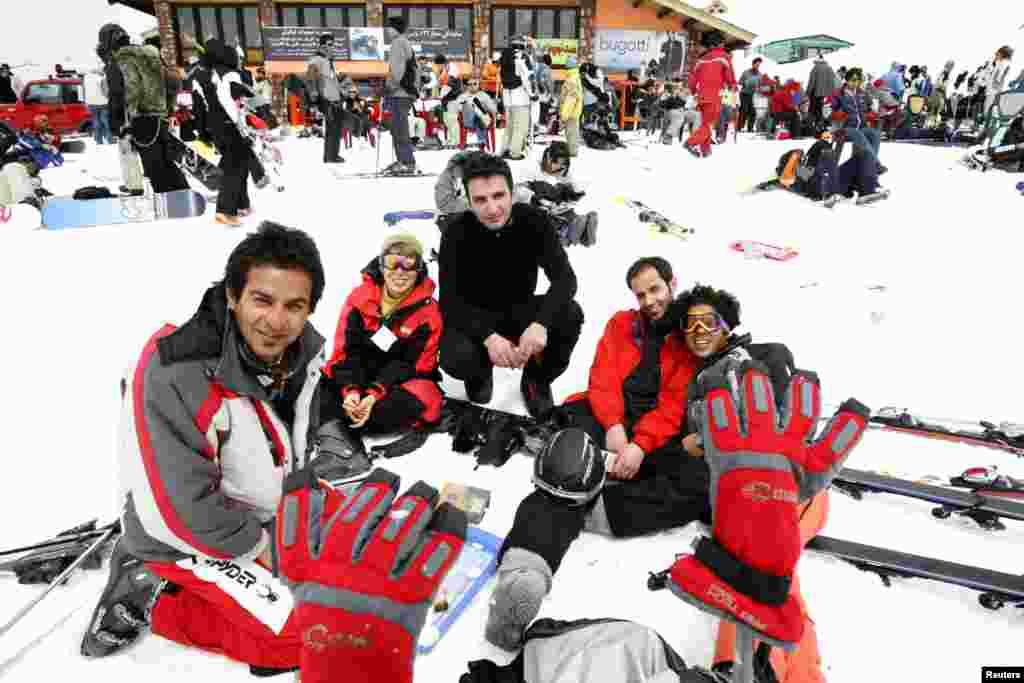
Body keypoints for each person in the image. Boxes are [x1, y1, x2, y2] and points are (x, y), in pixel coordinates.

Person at [80, 221, 337, 674]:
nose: (277, 321)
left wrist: (306, 508)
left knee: (355, 568)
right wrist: (266, 550)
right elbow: (180, 509)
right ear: (233, 296)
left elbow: (295, 446)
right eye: (262, 300)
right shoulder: (175, 368)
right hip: (182, 537)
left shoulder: (303, 354)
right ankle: (153, 594)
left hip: (262, 508)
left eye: (294, 306)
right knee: (304, 639)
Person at [483, 257, 705, 651]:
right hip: (607, 419)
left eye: (656, 289)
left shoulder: (689, 333)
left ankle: (595, 507)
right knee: (566, 466)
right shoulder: (622, 325)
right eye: (641, 294)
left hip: (656, 434)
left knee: (695, 486)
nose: (650, 300)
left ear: (673, 283)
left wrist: (639, 445)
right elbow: (602, 379)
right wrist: (616, 429)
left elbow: (674, 405)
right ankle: (524, 571)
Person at [660, 284, 855, 683]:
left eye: (708, 321)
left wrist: (706, 443)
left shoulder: (765, 356)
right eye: (690, 324)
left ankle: (752, 669)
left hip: (794, 487)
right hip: (741, 497)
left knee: (764, 571)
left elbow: (786, 424)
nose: (698, 330)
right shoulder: (699, 383)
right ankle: (755, 668)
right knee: (754, 568)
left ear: (728, 324)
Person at [437, 153, 583, 418]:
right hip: (476, 317)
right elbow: (449, 301)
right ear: (467, 200)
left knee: (570, 314)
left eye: (498, 196)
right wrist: (488, 337)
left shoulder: (534, 221)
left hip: (521, 311)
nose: (492, 209)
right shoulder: (455, 232)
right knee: (453, 354)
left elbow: (565, 280)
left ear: (512, 192)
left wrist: (540, 323)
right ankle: (479, 374)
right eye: (480, 200)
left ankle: (537, 380)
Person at [319, 233, 443, 457]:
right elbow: (345, 352)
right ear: (381, 265)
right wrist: (351, 392)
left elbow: (412, 365)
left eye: (409, 265)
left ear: (419, 269)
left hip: (398, 381)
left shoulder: (429, 312)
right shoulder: (359, 299)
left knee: (418, 400)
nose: (400, 272)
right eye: (393, 263)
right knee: (317, 391)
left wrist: (372, 395)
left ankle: (348, 421)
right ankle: (347, 415)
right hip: (361, 372)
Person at [98, 23, 189, 195]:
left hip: (139, 118)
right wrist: (167, 108)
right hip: (160, 117)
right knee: (166, 161)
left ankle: (168, 201)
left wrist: (115, 124)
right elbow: (173, 83)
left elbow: (116, 94)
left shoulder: (117, 61)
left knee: (153, 166)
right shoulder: (149, 54)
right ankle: (184, 195)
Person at [195, 39, 257, 226]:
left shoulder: (201, 75)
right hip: (229, 125)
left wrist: (204, 132)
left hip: (216, 127)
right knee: (235, 167)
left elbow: (199, 107)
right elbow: (233, 104)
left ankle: (241, 204)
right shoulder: (228, 75)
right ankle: (225, 210)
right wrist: (243, 129)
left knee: (236, 163)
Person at [516, 141, 598, 248]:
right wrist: (537, 199)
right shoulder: (532, 165)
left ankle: (583, 231)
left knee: (562, 203)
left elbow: (570, 184)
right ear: (549, 157)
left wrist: (573, 194)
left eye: (562, 165)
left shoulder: (562, 167)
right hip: (530, 204)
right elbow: (519, 191)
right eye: (557, 165)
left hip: (551, 204)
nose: (558, 168)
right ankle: (572, 233)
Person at [776, 126, 884, 203]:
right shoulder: (794, 173)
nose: (801, 155)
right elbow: (802, 180)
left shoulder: (806, 164)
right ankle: (831, 194)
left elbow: (825, 166)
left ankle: (867, 192)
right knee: (826, 152)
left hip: (834, 180)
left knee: (864, 154)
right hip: (823, 188)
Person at [685, 30, 736, 157]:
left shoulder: (701, 60)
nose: (724, 45)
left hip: (701, 97)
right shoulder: (724, 57)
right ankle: (690, 143)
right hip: (715, 96)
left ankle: (706, 150)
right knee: (708, 125)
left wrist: (693, 92)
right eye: (722, 43)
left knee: (705, 123)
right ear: (719, 43)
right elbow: (730, 78)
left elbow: (692, 80)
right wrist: (733, 90)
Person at [831, 67, 885, 174]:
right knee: (858, 134)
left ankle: (867, 165)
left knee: (874, 134)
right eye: (853, 80)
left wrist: (874, 114)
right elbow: (828, 113)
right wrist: (839, 115)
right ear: (846, 80)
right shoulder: (839, 94)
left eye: (857, 80)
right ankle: (875, 164)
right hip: (844, 128)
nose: (855, 83)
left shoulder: (862, 93)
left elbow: (871, 109)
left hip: (861, 127)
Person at [383, 16, 419, 175]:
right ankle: (404, 160)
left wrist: (388, 87)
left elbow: (397, 70)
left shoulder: (397, 43)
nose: (387, 30)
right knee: (399, 127)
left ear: (395, 28)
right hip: (405, 92)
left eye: (389, 27)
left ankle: (407, 162)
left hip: (400, 92)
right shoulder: (405, 42)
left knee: (399, 129)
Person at [305, 33, 345, 164]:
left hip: (336, 99)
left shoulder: (330, 61)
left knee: (337, 128)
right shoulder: (316, 60)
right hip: (326, 100)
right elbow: (311, 79)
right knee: (331, 128)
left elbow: (333, 81)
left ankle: (334, 154)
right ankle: (329, 156)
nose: (331, 47)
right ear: (322, 46)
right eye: (329, 45)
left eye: (333, 44)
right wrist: (314, 95)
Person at [500, 36, 535, 160]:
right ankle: (515, 152)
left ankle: (504, 149)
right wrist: (533, 94)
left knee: (509, 127)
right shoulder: (521, 57)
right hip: (520, 97)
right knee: (520, 127)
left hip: (507, 98)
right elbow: (527, 78)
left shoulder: (505, 56)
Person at [455, 76, 497, 148]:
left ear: (478, 85)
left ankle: (481, 142)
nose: (472, 86)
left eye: (474, 84)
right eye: (470, 84)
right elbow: (457, 108)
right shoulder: (462, 96)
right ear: (467, 86)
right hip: (468, 120)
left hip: (483, 119)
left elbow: (493, 109)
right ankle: (481, 143)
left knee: (479, 116)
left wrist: (486, 108)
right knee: (470, 106)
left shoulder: (484, 95)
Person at [559, 56, 583, 156]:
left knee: (571, 134)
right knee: (573, 134)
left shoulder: (570, 80)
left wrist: (563, 116)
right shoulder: (575, 77)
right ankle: (572, 151)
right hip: (574, 112)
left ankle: (572, 153)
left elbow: (570, 101)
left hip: (570, 114)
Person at [84, 64, 113, 145]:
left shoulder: (86, 77)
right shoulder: (101, 78)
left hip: (91, 103)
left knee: (96, 122)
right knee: (106, 121)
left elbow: (83, 89)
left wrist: (85, 101)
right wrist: (109, 99)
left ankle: (98, 140)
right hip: (103, 103)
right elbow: (105, 91)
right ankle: (109, 139)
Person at [806, 50, 837, 123]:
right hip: (827, 94)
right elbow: (833, 80)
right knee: (823, 110)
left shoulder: (815, 68)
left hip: (816, 94)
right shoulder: (829, 68)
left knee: (814, 110)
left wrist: (807, 92)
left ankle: (813, 125)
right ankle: (823, 124)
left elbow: (811, 82)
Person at [737, 57, 762, 133]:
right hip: (744, 94)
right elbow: (740, 82)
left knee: (753, 111)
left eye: (759, 65)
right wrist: (746, 83)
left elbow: (761, 85)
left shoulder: (760, 74)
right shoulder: (746, 72)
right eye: (756, 64)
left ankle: (750, 128)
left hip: (753, 95)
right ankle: (739, 127)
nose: (757, 66)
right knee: (744, 110)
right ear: (753, 64)